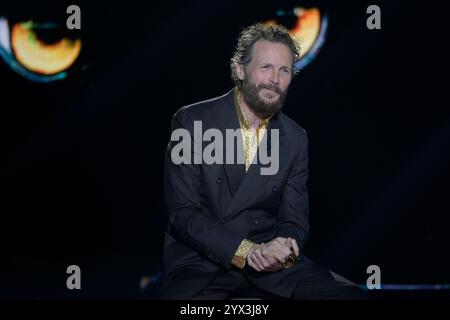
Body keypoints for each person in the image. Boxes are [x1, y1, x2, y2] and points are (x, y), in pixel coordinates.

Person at [161, 23, 366, 299]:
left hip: (271, 268)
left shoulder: (295, 138)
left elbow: (295, 221)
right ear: (240, 70)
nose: (275, 79)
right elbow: (183, 214)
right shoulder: (191, 121)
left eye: (284, 71)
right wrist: (248, 251)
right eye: (266, 67)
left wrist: (285, 249)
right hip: (202, 268)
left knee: (351, 296)